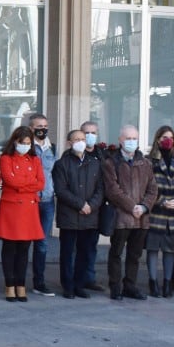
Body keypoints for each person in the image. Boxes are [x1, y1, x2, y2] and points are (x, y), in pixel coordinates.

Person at [101, 125, 158, 301]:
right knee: (117, 253)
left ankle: (130, 286)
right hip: (121, 217)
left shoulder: (145, 162)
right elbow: (113, 190)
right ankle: (115, 286)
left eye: (134, 138)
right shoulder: (111, 162)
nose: (131, 142)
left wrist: (143, 207)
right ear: (120, 140)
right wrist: (132, 206)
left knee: (135, 255)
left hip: (142, 218)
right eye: (128, 138)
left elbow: (153, 189)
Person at [0, 125, 45, 303]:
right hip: (11, 209)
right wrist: (27, 184)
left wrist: (21, 185)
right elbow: (10, 180)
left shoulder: (35, 160)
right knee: (10, 248)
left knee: (24, 249)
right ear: (14, 141)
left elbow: (41, 183)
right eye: (21, 142)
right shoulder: (6, 158)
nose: (24, 145)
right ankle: (9, 285)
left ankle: (20, 285)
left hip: (29, 209)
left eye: (27, 143)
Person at [52, 129, 103, 299]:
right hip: (69, 216)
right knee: (68, 253)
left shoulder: (95, 163)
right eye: (77, 139)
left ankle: (79, 285)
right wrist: (80, 204)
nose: (81, 142)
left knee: (85, 252)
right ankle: (68, 286)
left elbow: (100, 189)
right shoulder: (62, 164)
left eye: (83, 138)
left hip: (90, 216)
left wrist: (92, 205)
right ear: (69, 143)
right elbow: (61, 190)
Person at [145, 125, 174, 298]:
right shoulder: (149, 160)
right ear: (158, 139)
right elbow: (147, 186)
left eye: (170, 137)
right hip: (156, 213)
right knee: (153, 249)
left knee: (171, 251)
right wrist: (162, 201)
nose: (168, 140)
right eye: (164, 137)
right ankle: (153, 282)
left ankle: (167, 283)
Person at [29, 113, 57, 297]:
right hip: (29, 201)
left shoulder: (52, 148)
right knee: (22, 243)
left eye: (45, 126)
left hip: (47, 201)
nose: (43, 129)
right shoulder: (25, 147)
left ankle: (39, 282)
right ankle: (14, 282)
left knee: (42, 244)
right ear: (31, 128)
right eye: (39, 126)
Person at [79, 119, 105, 291]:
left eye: (93, 133)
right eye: (86, 133)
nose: (89, 136)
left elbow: (103, 184)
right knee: (77, 248)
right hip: (78, 208)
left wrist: (93, 204)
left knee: (91, 246)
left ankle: (89, 278)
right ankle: (77, 279)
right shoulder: (75, 154)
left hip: (96, 208)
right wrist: (81, 203)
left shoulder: (102, 155)